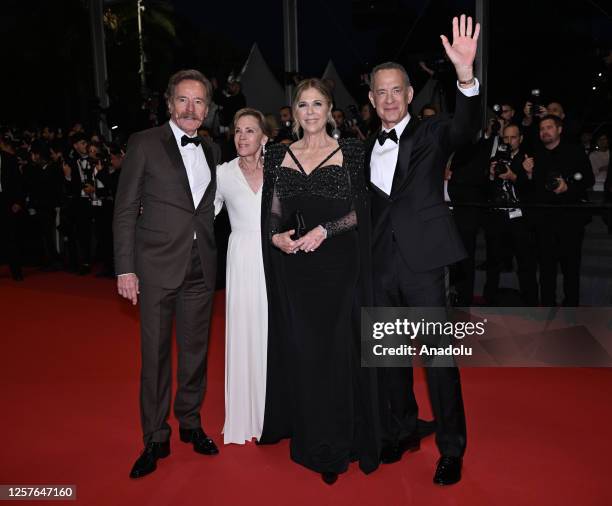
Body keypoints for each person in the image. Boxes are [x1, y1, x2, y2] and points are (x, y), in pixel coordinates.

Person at [366, 15, 481, 485]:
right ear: (371, 100)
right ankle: (402, 429)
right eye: (381, 92)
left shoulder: (432, 134)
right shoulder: (364, 147)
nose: (390, 99)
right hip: (379, 269)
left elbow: (467, 130)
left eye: (398, 90)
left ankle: (451, 448)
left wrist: (466, 76)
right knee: (390, 360)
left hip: (425, 266)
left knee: (437, 361)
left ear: (410, 95)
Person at [259, 78, 380, 485]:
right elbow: (275, 210)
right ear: (294, 113)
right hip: (297, 268)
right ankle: (311, 439)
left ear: (330, 110)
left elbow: (364, 211)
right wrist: (276, 236)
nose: (310, 112)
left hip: (339, 266)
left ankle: (338, 443)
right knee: (305, 351)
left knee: (336, 352)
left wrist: (326, 230)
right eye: (303, 105)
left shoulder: (352, 151)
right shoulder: (279, 155)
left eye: (317, 104)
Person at [114, 69, 222, 479]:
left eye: (199, 102)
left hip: (200, 265)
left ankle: (190, 424)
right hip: (156, 266)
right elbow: (125, 209)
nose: (191, 108)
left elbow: (208, 206)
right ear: (169, 102)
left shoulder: (211, 149)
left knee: (195, 354)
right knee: (155, 358)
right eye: (183, 100)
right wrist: (125, 266)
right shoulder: (143, 143)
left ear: (208, 109)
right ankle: (155, 437)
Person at [214, 108, 269, 445]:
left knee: (271, 332)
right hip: (242, 258)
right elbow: (201, 212)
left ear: (264, 138)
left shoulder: (279, 170)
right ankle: (245, 415)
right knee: (245, 329)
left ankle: (272, 410)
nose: (242, 137)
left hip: (275, 259)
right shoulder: (222, 173)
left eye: (250, 131)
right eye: (238, 130)